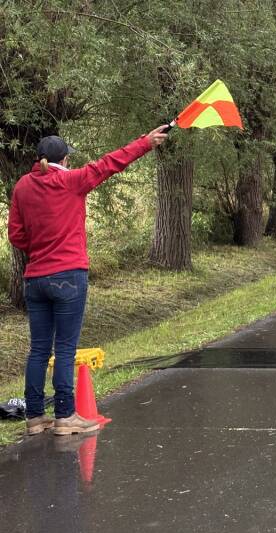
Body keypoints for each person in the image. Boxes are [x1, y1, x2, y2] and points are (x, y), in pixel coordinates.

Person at [8, 125, 169, 436]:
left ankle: (36, 417)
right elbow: (110, 163)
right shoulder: (71, 180)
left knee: (39, 349)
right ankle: (66, 416)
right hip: (68, 274)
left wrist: (39, 248)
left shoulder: (22, 187)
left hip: (35, 279)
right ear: (65, 159)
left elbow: (16, 235)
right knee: (65, 348)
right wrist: (146, 143)